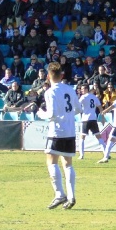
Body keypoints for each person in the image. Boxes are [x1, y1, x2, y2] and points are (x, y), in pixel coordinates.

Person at [37, 62, 82, 210]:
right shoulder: (70, 89)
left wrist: (39, 113)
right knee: (68, 163)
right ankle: (71, 195)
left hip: (56, 131)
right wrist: (67, 116)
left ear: (49, 76)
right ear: (61, 75)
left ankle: (59, 194)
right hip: (70, 131)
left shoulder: (50, 92)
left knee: (51, 161)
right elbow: (78, 109)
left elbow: (51, 114)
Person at [78, 84, 106, 160]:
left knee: (82, 137)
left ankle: (81, 155)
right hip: (93, 119)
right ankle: (105, 153)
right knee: (99, 136)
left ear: (87, 89)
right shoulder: (94, 97)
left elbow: (77, 105)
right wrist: (102, 117)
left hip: (85, 119)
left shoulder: (83, 97)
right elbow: (100, 107)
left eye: (83, 89)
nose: (82, 90)